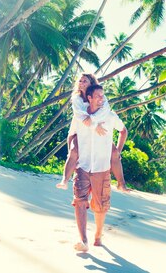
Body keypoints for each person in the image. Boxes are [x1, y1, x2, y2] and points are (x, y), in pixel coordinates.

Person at [70, 83, 128, 252]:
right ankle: (83, 240)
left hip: (102, 167)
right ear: (89, 98)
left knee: (100, 205)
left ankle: (98, 236)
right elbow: (71, 135)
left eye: (103, 96)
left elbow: (123, 131)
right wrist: (72, 155)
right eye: (98, 96)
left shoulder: (110, 116)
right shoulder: (80, 116)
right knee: (80, 202)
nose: (102, 99)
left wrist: (117, 151)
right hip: (82, 166)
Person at [55, 73, 129, 192]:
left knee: (115, 153)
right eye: (80, 81)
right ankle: (64, 180)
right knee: (73, 151)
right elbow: (80, 116)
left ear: (91, 83)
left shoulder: (100, 98)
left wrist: (93, 120)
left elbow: (105, 111)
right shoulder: (76, 98)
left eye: (85, 81)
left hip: (98, 138)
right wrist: (95, 125)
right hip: (80, 132)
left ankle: (121, 184)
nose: (81, 83)